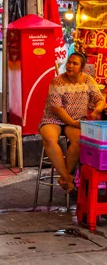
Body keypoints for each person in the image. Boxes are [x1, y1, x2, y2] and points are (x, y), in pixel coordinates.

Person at [40, 52, 105, 193]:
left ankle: (65, 176)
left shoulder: (88, 80)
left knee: (79, 140)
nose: (70, 66)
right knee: (49, 139)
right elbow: (57, 109)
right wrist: (73, 122)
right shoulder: (57, 81)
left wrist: (96, 111)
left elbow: (100, 99)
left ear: (82, 67)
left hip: (76, 121)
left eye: (75, 63)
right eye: (69, 62)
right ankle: (67, 178)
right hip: (53, 119)